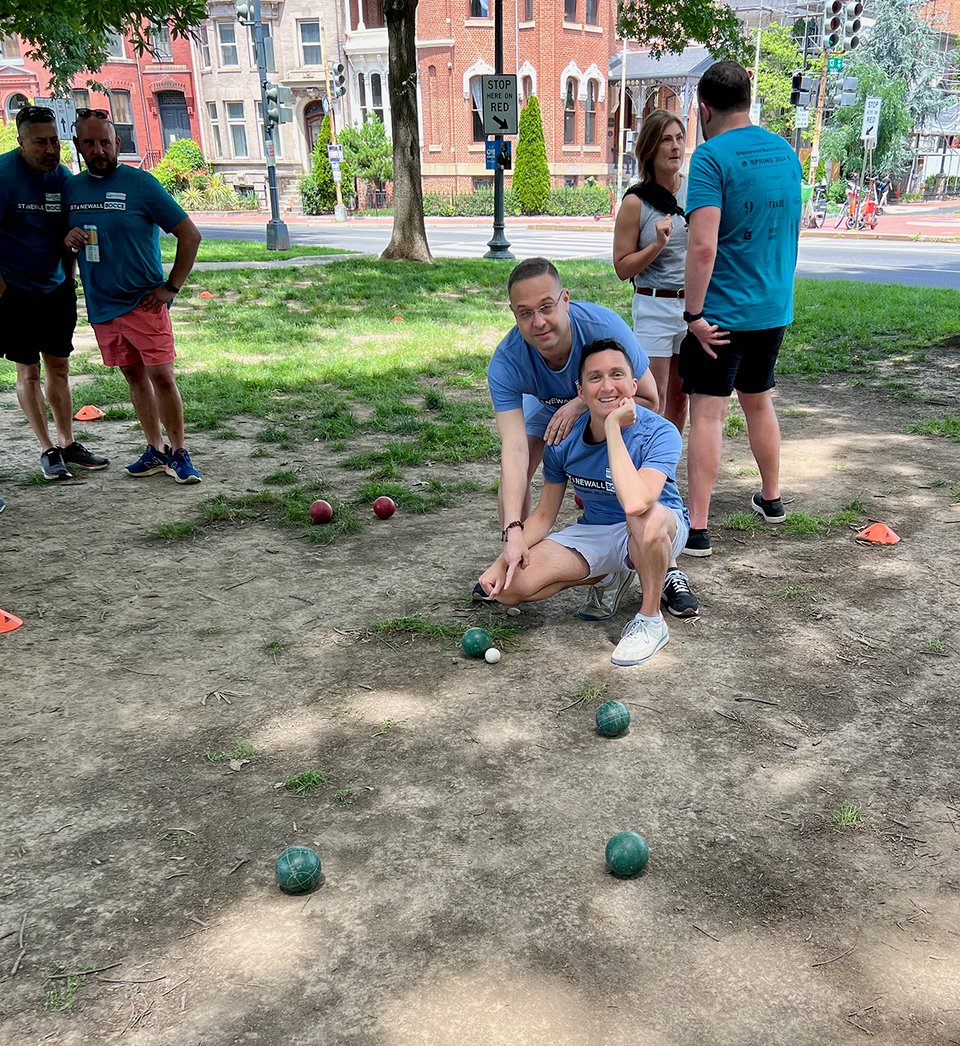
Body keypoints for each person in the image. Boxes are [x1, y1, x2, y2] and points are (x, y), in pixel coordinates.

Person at [484, 257, 697, 620]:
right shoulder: (507, 361)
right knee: (517, 468)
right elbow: (515, 450)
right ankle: (516, 554)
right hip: (553, 405)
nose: (538, 322)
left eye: (547, 307)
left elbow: (648, 398)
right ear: (513, 314)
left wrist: (581, 404)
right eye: (525, 312)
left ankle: (665, 569)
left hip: (596, 405)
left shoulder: (602, 328)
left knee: (645, 513)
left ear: (565, 300)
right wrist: (511, 535)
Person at [477, 339, 691, 667]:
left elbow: (636, 502)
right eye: (595, 378)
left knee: (641, 519)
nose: (607, 386)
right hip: (598, 530)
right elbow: (546, 514)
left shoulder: (660, 432)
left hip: (658, 525)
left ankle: (650, 621)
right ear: (580, 391)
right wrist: (501, 560)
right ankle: (610, 574)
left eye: (617, 375)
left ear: (634, 386)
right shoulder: (563, 440)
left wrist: (613, 430)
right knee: (508, 589)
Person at [680, 61, 802, 557]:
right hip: (773, 308)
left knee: (707, 415)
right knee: (759, 399)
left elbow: (702, 247)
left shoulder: (710, 158)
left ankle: (699, 528)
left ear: (704, 109)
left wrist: (693, 317)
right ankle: (771, 499)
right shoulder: (786, 152)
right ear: (747, 101)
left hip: (721, 314)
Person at [63, 110, 203, 484]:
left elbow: (190, 234)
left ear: (118, 144)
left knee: (162, 376)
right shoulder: (71, 189)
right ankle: (155, 450)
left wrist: (170, 287)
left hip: (145, 302)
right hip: (102, 305)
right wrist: (68, 239)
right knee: (133, 376)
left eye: (105, 143)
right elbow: (63, 240)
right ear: (77, 145)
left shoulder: (141, 184)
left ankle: (179, 451)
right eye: (89, 143)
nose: (98, 150)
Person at [0, 105, 109, 485]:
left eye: (55, 142)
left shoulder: (61, 178)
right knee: (28, 370)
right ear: (21, 141)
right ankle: (47, 449)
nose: (50, 150)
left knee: (59, 368)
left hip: (57, 288)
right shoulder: (3, 175)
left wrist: (69, 271)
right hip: (14, 291)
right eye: (40, 142)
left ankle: (68, 443)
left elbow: (69, 231)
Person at [613, 109, 689, 432]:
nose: (675, 147)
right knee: (653, 394)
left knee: (681, 396)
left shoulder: (697, 191)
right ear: (650, 149)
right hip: (653, 304)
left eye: (679, 139)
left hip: (691, 307)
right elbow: (621, 266)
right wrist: (655, 245)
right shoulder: (636, 202)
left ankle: (667, 466)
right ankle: (648, 465)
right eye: (666, 140)